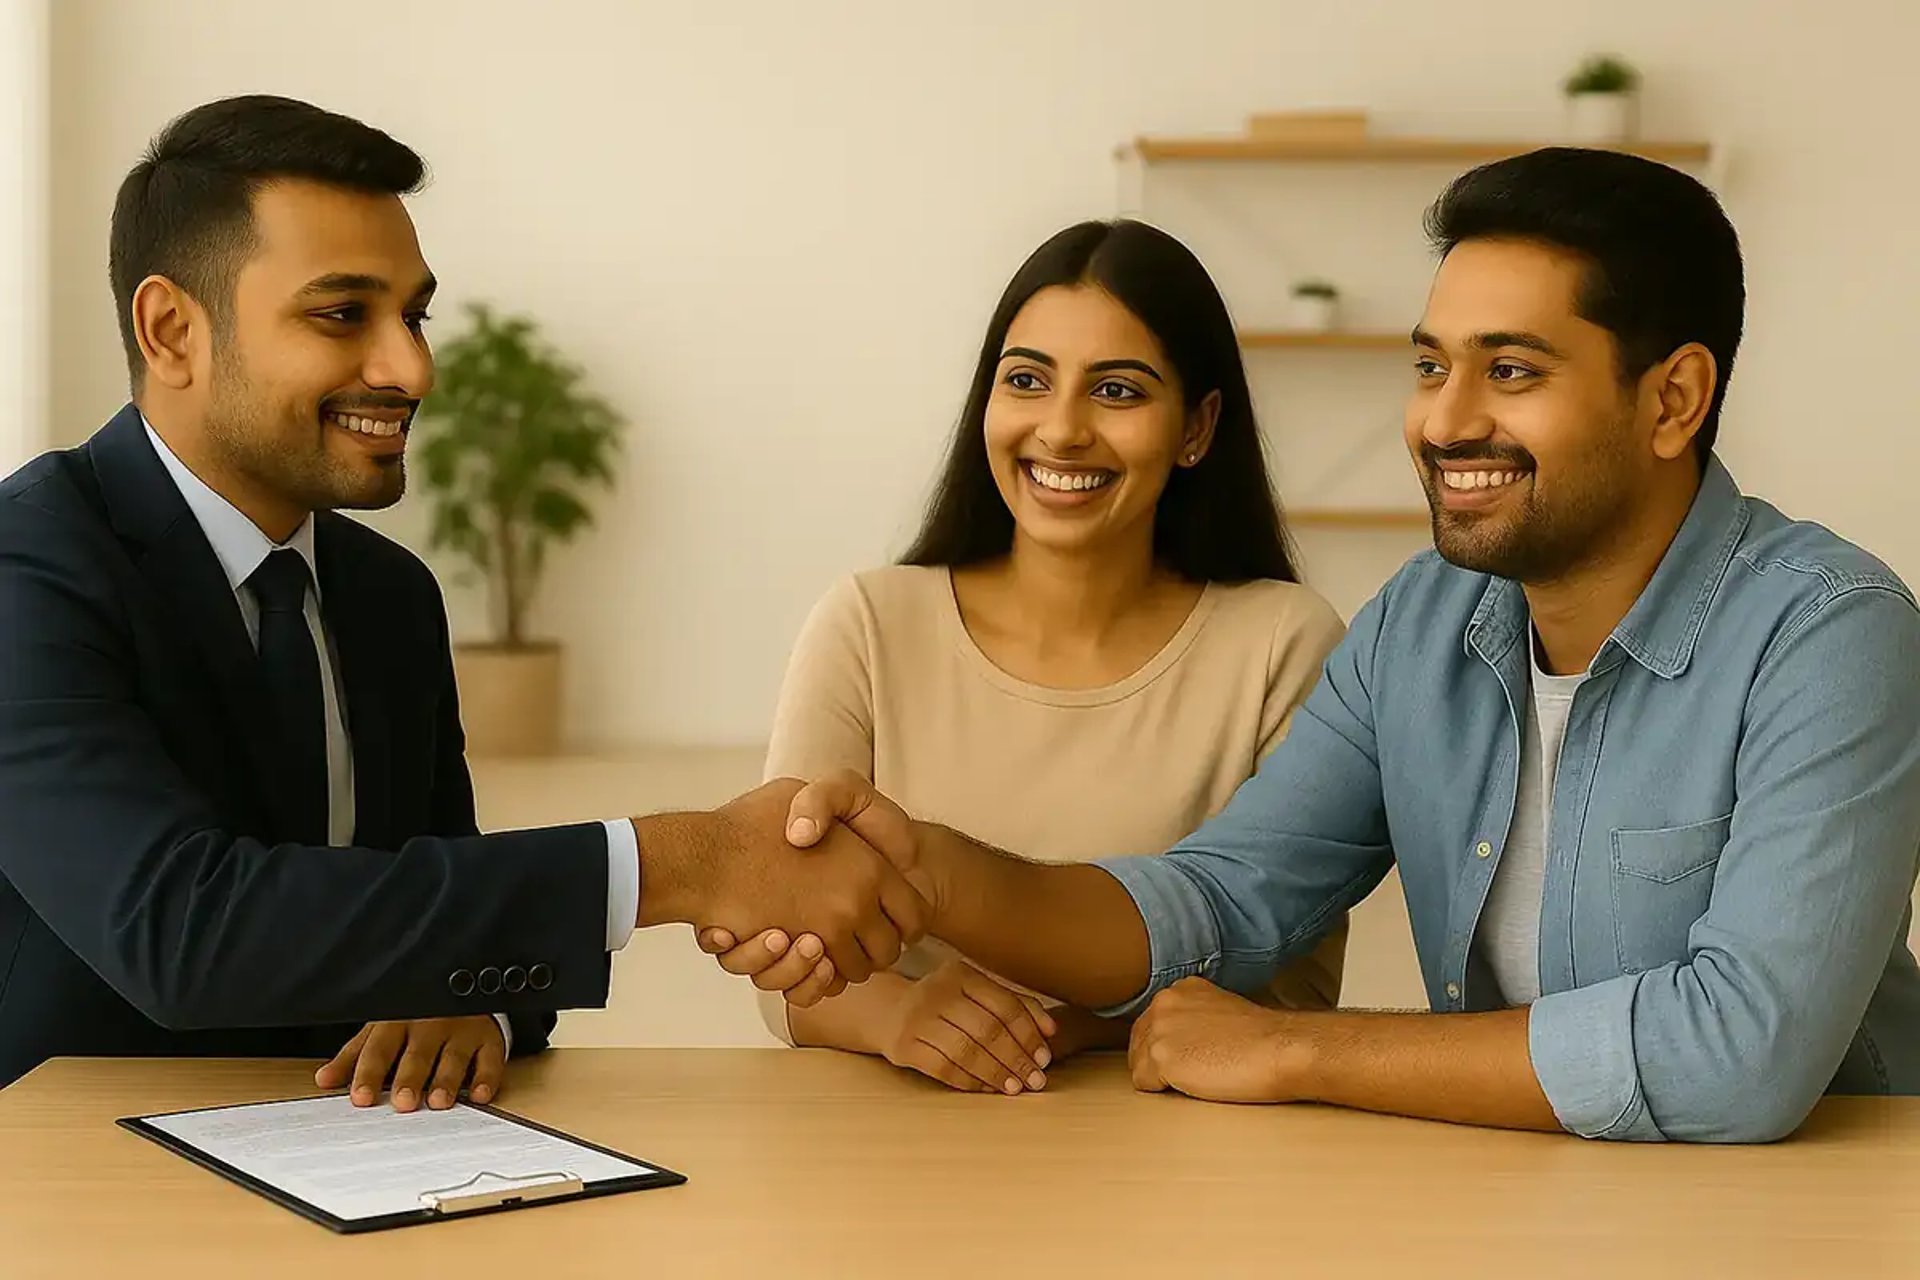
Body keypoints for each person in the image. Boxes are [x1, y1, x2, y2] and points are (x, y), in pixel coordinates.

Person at [724, 148, 1920, 1142]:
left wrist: (1296, 1044)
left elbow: (1739, 1053)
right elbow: (1220, 896)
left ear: (1673, 400)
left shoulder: (1831, 633)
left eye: (1510, 370)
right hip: (1546, 1197)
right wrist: (932, 871)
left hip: (1817, 1218)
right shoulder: (1425, 624)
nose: (1445, 420)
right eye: (1429, 364)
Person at [0, 95, 923, 1099]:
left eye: (414, 315)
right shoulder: (29, 564)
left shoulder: (388, 595)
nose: (412, 367)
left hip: (370, 1159)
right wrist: (685, 860)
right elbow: (179, 926)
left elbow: (450, 897)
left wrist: (474, 1002)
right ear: (171, 328)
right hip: (76, 1179)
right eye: (343, 313)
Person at [723, 220, 1347, 1094]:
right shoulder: (869, 623)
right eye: (1026, 381)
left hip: (1188, 1159)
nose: (1061, 430)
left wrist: (1030, 1029)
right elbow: (790, 957)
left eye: (1118, 392)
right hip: (902, 1154)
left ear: (1198, 425)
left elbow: (1287, 985)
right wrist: (900, 1017)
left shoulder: (1284, 643)